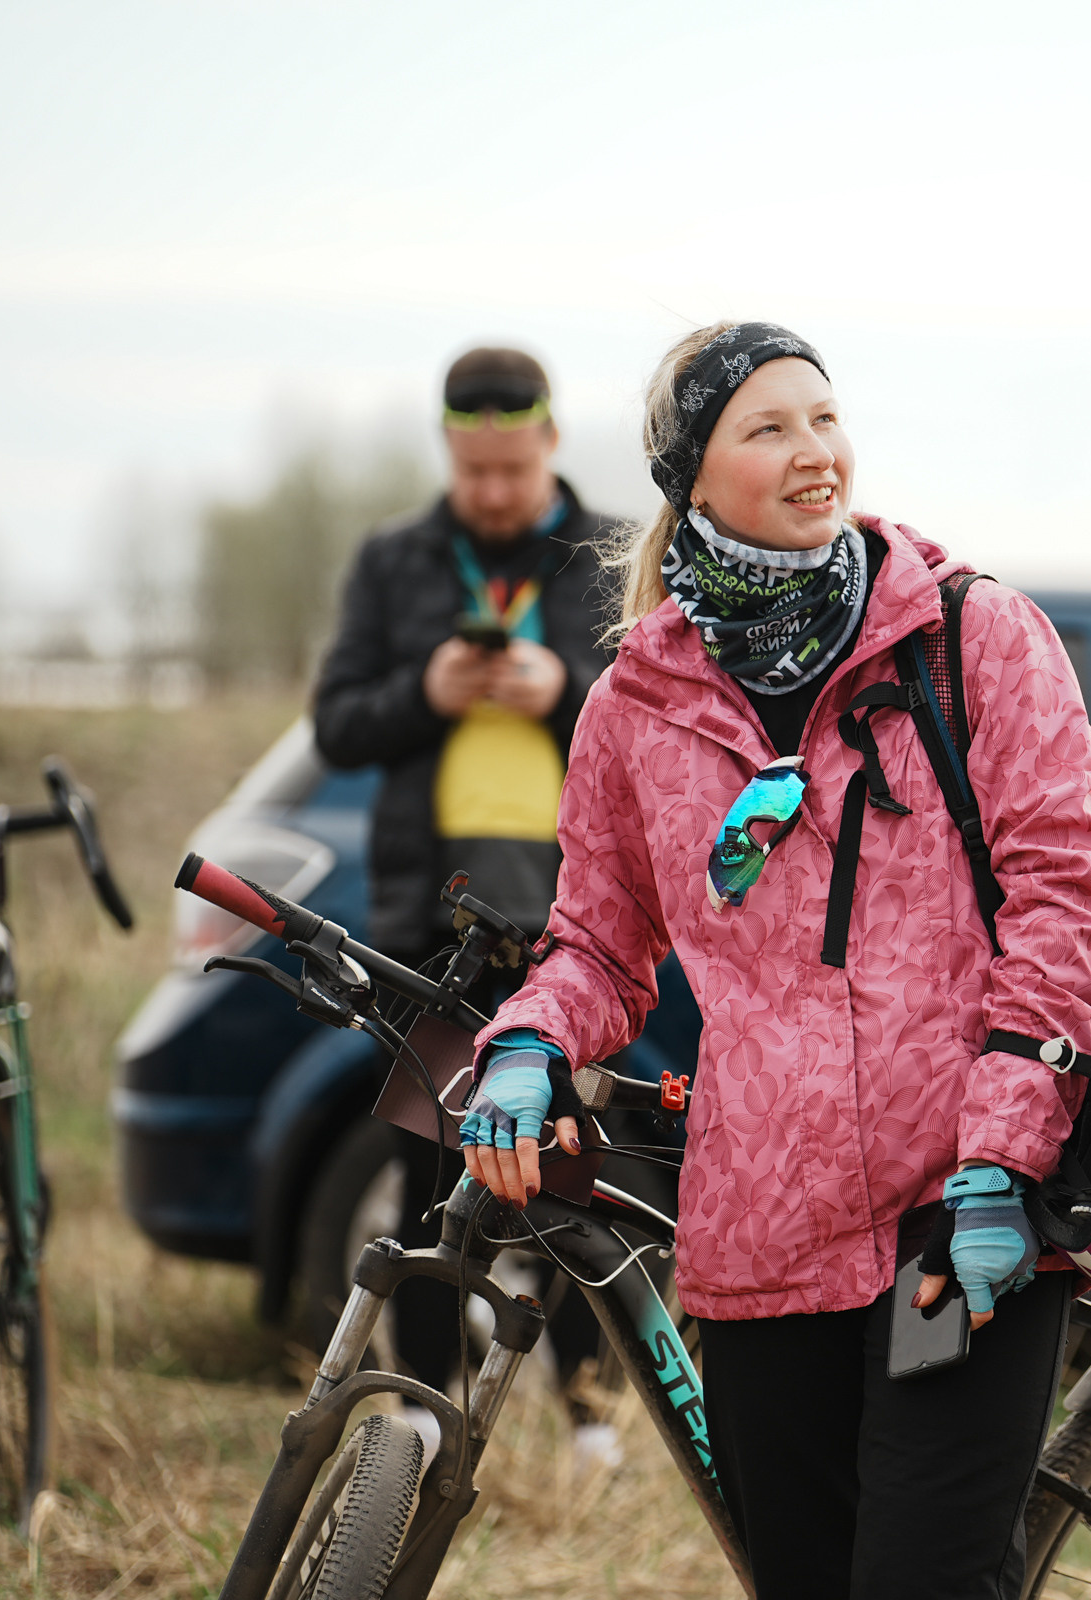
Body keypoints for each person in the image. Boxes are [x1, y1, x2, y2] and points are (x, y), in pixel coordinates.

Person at [451, 321, 1091, 1599]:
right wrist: (533, 1039)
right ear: (691, 479)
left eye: (824, 417)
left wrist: (1000, 1156)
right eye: (768, 428)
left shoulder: (970, 636)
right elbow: (601, 942)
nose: (816, 452)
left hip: (964, 1213)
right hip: (762, 1240)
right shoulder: (633, 709)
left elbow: (1068, 895)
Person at [310, 345, 619, 1421]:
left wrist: (566, 689)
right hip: (427, 926)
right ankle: (420, 1411)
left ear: (552, 441)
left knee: (579, 1172)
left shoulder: (615, 557)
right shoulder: (392, 561)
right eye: (472, 471)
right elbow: (337, 723)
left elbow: (671, 723)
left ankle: (587, 1410)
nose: (491, 492)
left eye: (512, 471)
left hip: (580, 924)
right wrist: (428, 688)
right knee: (420, 1175)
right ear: (447, 449)